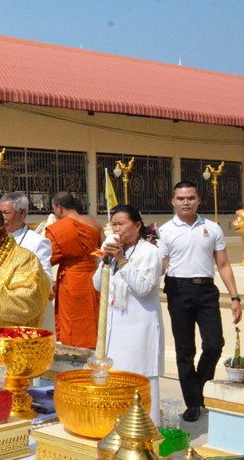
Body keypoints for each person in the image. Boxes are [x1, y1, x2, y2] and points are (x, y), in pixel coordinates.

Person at [159, 181, 242, 423]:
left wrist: (235, 297)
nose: (186, 202)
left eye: (191, 198)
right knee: (185, 350)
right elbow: (161, 265)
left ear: (199, 200)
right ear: (173, 201)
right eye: (181, 198)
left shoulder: (212, 228)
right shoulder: (164, 231)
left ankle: (199, 387)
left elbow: (223, 264)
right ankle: (193, 403)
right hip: (178, 290)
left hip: (206, 290)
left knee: (215, 344)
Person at [92, 205, 164, 425]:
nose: (116, 229)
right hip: (115, 329)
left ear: (137, 226)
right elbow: (97, 285)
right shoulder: (113, 253)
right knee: (116, 377)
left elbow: (143, 288)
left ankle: (145, 428)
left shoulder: (149, 252)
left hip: (139, 329)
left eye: (121, 224)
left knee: (139, 377)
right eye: (114, 224)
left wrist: (122, 260)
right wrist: (105, 259)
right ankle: (117, 426)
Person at [46, 192, 101, 348]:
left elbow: (48, 258)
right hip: (93, 279)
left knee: (72, 323)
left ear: (59, 208)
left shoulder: (58, 229)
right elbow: (103, 252)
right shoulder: (94, 225)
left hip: (72, 281)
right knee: (93, 319)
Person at [0, 192, 53, 281]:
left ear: (22, 213)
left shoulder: (37, 242)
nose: (1, 217)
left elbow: (46, 279)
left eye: (6, 213)